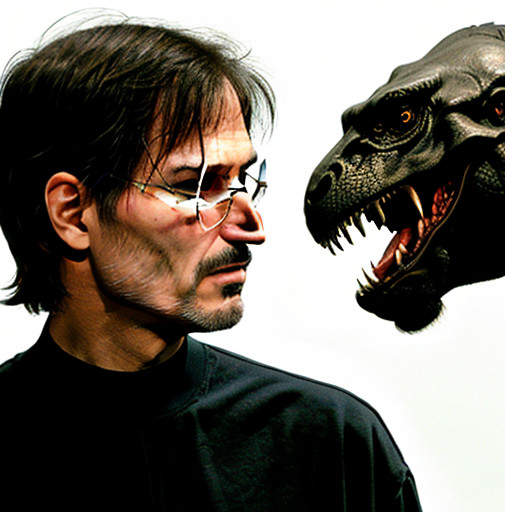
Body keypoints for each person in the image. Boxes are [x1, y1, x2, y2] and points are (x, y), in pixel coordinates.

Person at [0, 15, 421, 511]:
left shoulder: (330, 445)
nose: (251, 226)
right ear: (72, 212)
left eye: (242, 179)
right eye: (195, 186)